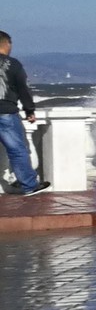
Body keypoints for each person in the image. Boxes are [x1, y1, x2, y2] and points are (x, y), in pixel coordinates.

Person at [0, 32, 49, 196]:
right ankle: (28, 185)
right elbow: (23, 89)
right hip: (5, 112)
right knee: (17, 150)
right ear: (7, 44)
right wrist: (29, 110)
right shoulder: (13, 64)